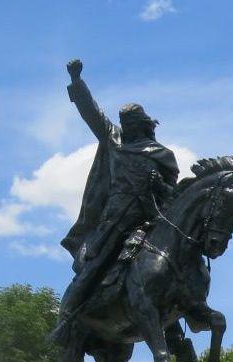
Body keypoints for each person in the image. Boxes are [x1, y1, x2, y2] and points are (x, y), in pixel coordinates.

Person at [56, 59, 180, 332]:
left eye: (132, 123)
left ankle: (177, 336)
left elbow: (171, 192)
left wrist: (159, 187)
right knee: (94, 264)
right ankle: (66, 319)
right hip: (115, 221)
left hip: (150, 219)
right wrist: (77, 81)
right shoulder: (114, 140)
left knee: (172, 265)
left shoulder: (162, 155)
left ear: (143, 125)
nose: (127, 128)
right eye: (124, 123)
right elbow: (92, 114)